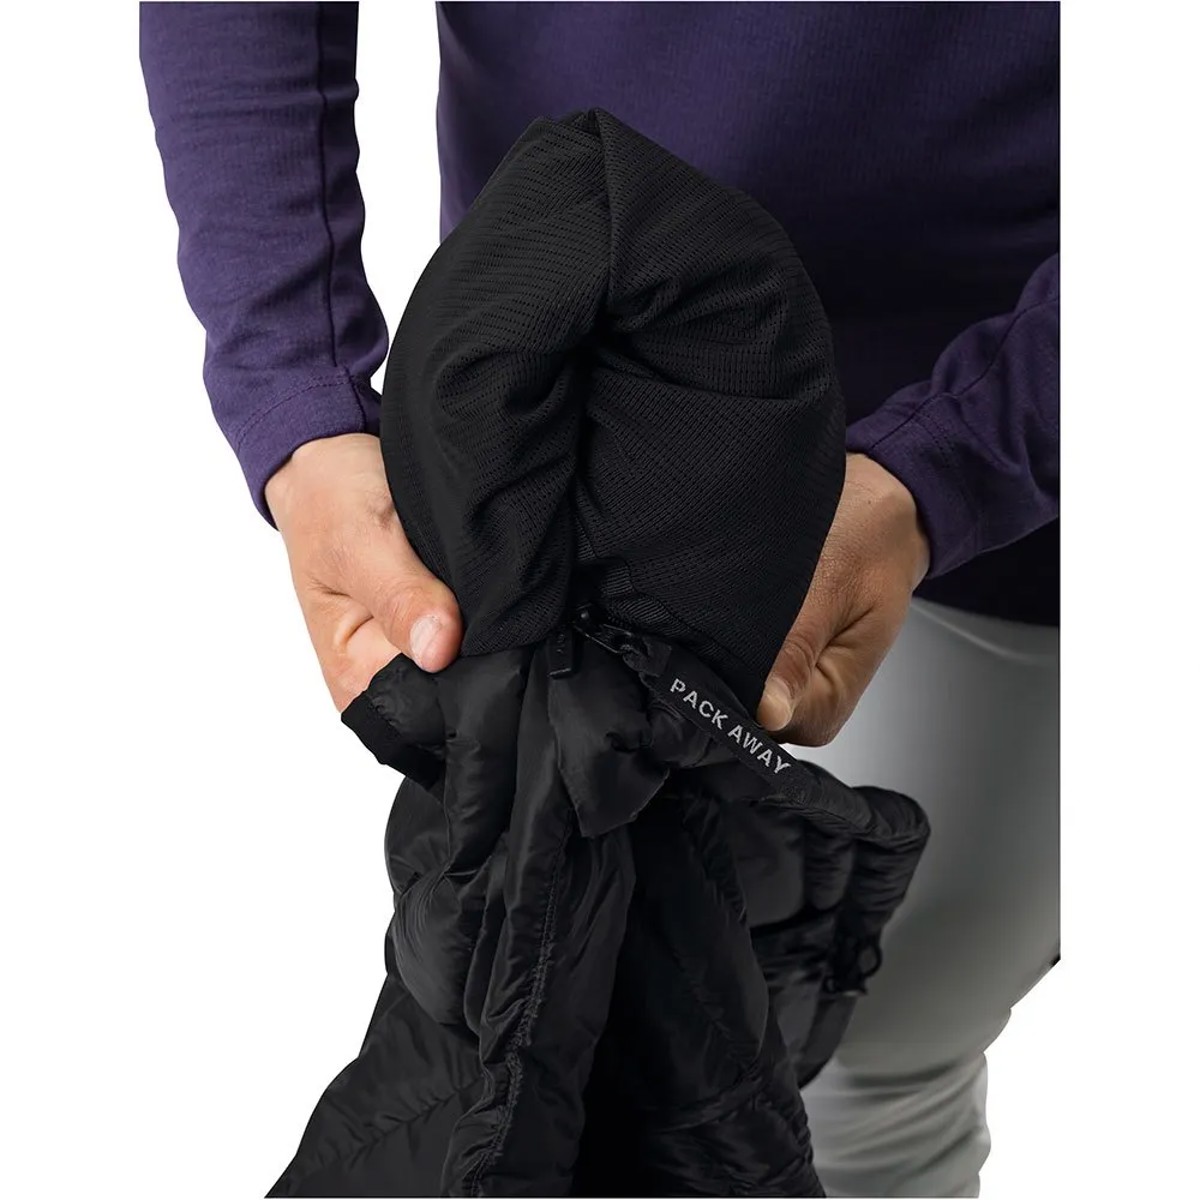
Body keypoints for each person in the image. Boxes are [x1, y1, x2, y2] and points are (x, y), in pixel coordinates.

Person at [140, 3, 1059, 1195]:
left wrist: (960, 464)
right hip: (554, 453)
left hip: (1013, 503)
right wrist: (294, 388)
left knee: (863, 1083)